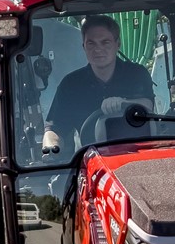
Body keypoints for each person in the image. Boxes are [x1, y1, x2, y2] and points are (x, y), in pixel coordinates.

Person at [45, 15, 154, 153]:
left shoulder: (136, 74)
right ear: (84, 46)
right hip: (90, 160)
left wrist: (123, 102)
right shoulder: (70, 85)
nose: (98, 49)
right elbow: (55, 128)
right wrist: (50, 148)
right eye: (91, 43)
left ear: (117, 44)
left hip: (138, 155)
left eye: (105, 42)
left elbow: (148, 105)